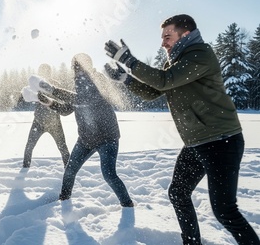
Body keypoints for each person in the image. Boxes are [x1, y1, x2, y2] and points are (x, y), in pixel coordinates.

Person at [104, 14, 260, 245]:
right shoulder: (175, 62)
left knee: (225, 210)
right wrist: (127, 79)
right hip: (196, 142)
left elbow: (164, 80)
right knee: (178, 192)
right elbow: (154, 91)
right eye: (162, 37)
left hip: (221, 141)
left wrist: (130, 61)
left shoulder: (200, 55)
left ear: (185, 34)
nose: (163, 42)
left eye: (168, 36)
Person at [27, 53, 133, 207]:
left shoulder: (99, 79)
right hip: (85, 139)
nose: (77, 69)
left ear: (88, 65)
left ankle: (127, 204)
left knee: (109, 175)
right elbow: (65, 109)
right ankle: (64, 200)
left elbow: (84, 99)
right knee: (69, 171)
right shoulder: (76, 85)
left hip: (107, 138)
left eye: (79, 65)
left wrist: (53, 90)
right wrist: (48, 101)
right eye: (74, 66)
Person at [21, 63, 70, 168]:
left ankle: (69, 168)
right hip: (38, 122)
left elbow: (61, 100)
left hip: (54, 123)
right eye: (42, 71)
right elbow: (28, 96)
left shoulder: (54, 85)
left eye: (46, 71)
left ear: (50, 72)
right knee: (29, 146)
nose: (44, 73)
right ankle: (25, 168)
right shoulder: (36, 85)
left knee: (62, 147)